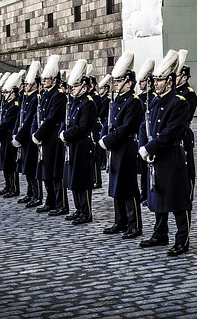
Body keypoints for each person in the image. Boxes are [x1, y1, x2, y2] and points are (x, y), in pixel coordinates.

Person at [138, 50, 192, 256]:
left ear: (169, 82)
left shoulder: (179, 102)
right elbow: (145, 125)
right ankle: (160, 233)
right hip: (156, 156)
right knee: (157, 195)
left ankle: (182, 239)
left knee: (178, 199)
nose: (155, 83)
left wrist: (150, 147)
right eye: (156, 80)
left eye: (159, 80)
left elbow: (172, 132)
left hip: (171, 155)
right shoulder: (154, 100)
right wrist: (143, 146)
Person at [100, 52, 145, 238]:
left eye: (118, 82)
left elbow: (125, 128)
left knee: (128, 187)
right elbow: (110, 124)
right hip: (116, 148)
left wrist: (108, 140)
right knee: (115, 186)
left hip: (126, 147)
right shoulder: (117, 100)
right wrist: (104, 137)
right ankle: (120, 221)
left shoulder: (133, 102)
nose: (115, 85)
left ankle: (134, 224)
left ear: (129, 83)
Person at [61, 59, 98, 224]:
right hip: (74, 144)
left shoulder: (88, 104)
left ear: (84, 87)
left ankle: (86, 211)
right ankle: (78, 209)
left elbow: (82, 127)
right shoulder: (75, 103)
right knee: (74, 178)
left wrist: (66, 135)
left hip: (83, 144)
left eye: (76, 87)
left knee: (82, 179)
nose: (73, 89)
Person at [32, 55, 68, 216]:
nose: (44, 80)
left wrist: (38, 134)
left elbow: (52, 117)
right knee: (46, 170)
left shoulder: (58, 95)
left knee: (56, 172)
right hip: (46, 138)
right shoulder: (46, 95)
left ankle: (61, 204)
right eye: (44, 78)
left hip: (53, 138)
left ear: (54, 80)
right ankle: (50, 200)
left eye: (47, 78)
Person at [13, 61, 43, 207]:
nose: (25, 86)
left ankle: (37, 195)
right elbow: (20, 119)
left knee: (32, 167)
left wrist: (19, 136)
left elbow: (29, 120)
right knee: (26, 166)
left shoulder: (35, 98)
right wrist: (16, 134)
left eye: (29, 83)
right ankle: (30, 192)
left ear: (35, 84)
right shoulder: (26, 98)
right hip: (24, 138)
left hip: (30, 137)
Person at [0, 72, 22, 198]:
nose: (4, 95)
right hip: (4, 137)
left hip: (9, 136)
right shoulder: (7, 104)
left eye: (6, 92)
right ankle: (7, 185)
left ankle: (14, 187)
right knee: (4, 161)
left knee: (10, 163)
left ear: (13, 92)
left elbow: (8, 122)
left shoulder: (14, 105)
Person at [175, 49, 197, 197]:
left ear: (184, 77)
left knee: (187, 167)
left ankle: (187, 194)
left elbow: (185, 117)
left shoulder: (188, 94)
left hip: (183, 134)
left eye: (177, 75)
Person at [136, 59, 156, 204]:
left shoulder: (153, 98)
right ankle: (144, 192)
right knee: (142, 169)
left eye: (142, 81)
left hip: (151, 136)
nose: (139, 84)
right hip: (141, 134)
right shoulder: (139, 98)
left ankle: (149, 192)